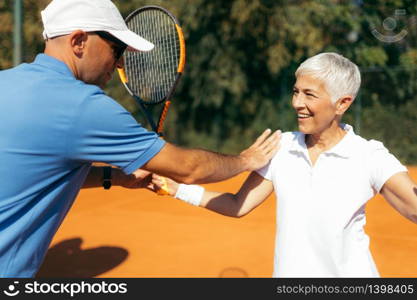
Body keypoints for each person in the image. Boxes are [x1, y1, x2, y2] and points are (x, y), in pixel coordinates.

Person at [0, 0, 280, 277]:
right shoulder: (81, 106)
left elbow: (38, 172)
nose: (120, 61)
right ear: (79, 41)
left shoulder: (6, 83)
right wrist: (245, 159)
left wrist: (113, 177)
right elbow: (189, 168)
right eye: (116, 48)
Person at [152, 52, 417, 277]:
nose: (296, 103)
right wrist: (177, 189)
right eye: (296, 92)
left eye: (309, 95)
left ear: (342, 103)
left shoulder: (369, 156)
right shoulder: (281, 147)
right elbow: (237, 205)